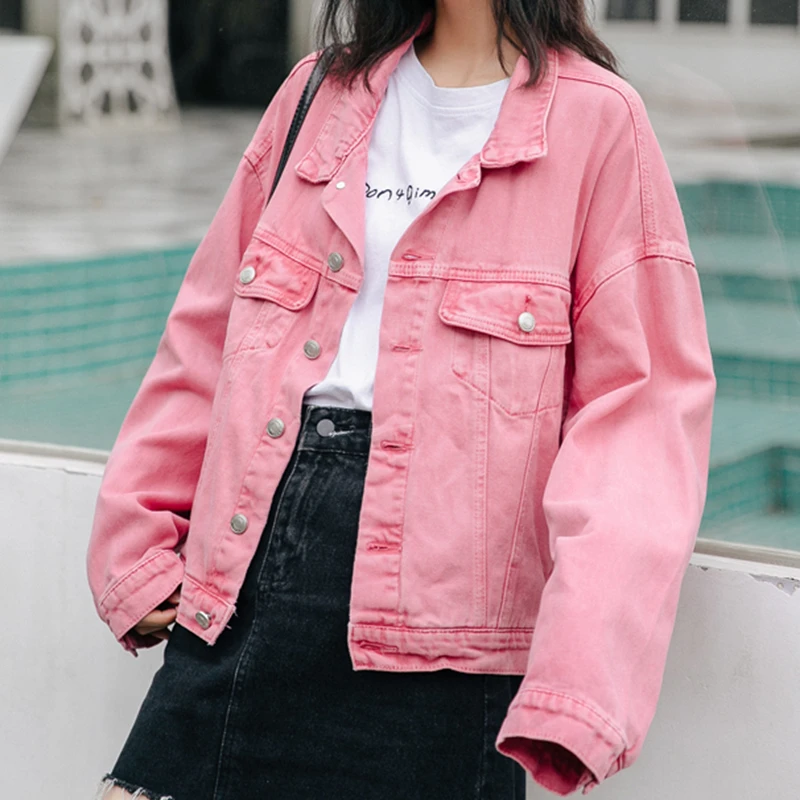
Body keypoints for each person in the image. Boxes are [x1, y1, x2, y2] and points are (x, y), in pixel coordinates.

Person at [87, 0, 717, 798]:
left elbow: (642, 418)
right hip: (243, 587)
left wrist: (581, 683)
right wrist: (137, 544)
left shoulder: (600, 122)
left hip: (450, 645)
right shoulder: (316, 94)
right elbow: (207, 332)